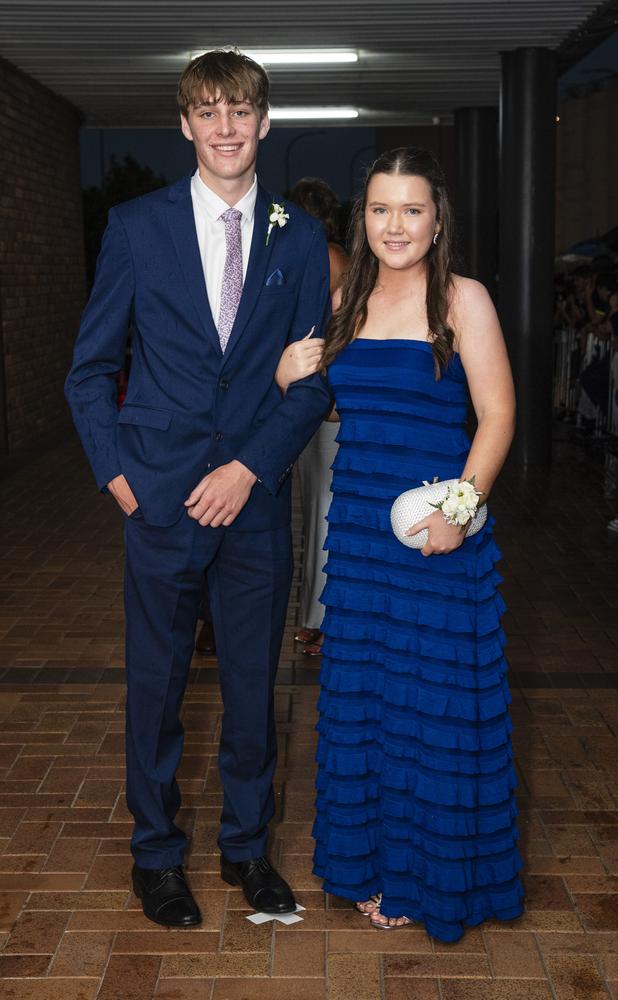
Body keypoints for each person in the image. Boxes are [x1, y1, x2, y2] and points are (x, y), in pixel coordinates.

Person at [65, 48, 331, 929]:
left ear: (264, 123)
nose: (226, 127)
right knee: (158, 686)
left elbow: (315, 382)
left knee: (256, 688)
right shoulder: (137, 227)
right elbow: (91, 368)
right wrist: (119, 478)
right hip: (160, 499)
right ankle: (157, 858)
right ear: (187, 125)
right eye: (209, 112)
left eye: (241, 111)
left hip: (252, 502)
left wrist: (250, 464)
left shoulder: (299, 238)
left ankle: (248, 852)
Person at [278, 147, 522, 942]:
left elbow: (497, 417)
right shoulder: (345, 300)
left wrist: (460, 505)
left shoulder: (464, 299)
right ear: (364, 218)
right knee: (372, 708)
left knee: (433, 711)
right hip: (359, 546)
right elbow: (327, 404)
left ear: (437, 218)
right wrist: (288, 377)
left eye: (412, 209)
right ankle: (376, 864)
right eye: (380, 209)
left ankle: (429, 878)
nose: (395, 225)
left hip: (438, 543)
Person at [280, 179, 348, 656]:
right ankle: (316, 615)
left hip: (324, 400)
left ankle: (318, 619)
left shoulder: (324, 257)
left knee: (321, 512)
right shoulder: (326, 256)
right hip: (312, 399)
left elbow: (336, 333)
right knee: (319, 510)